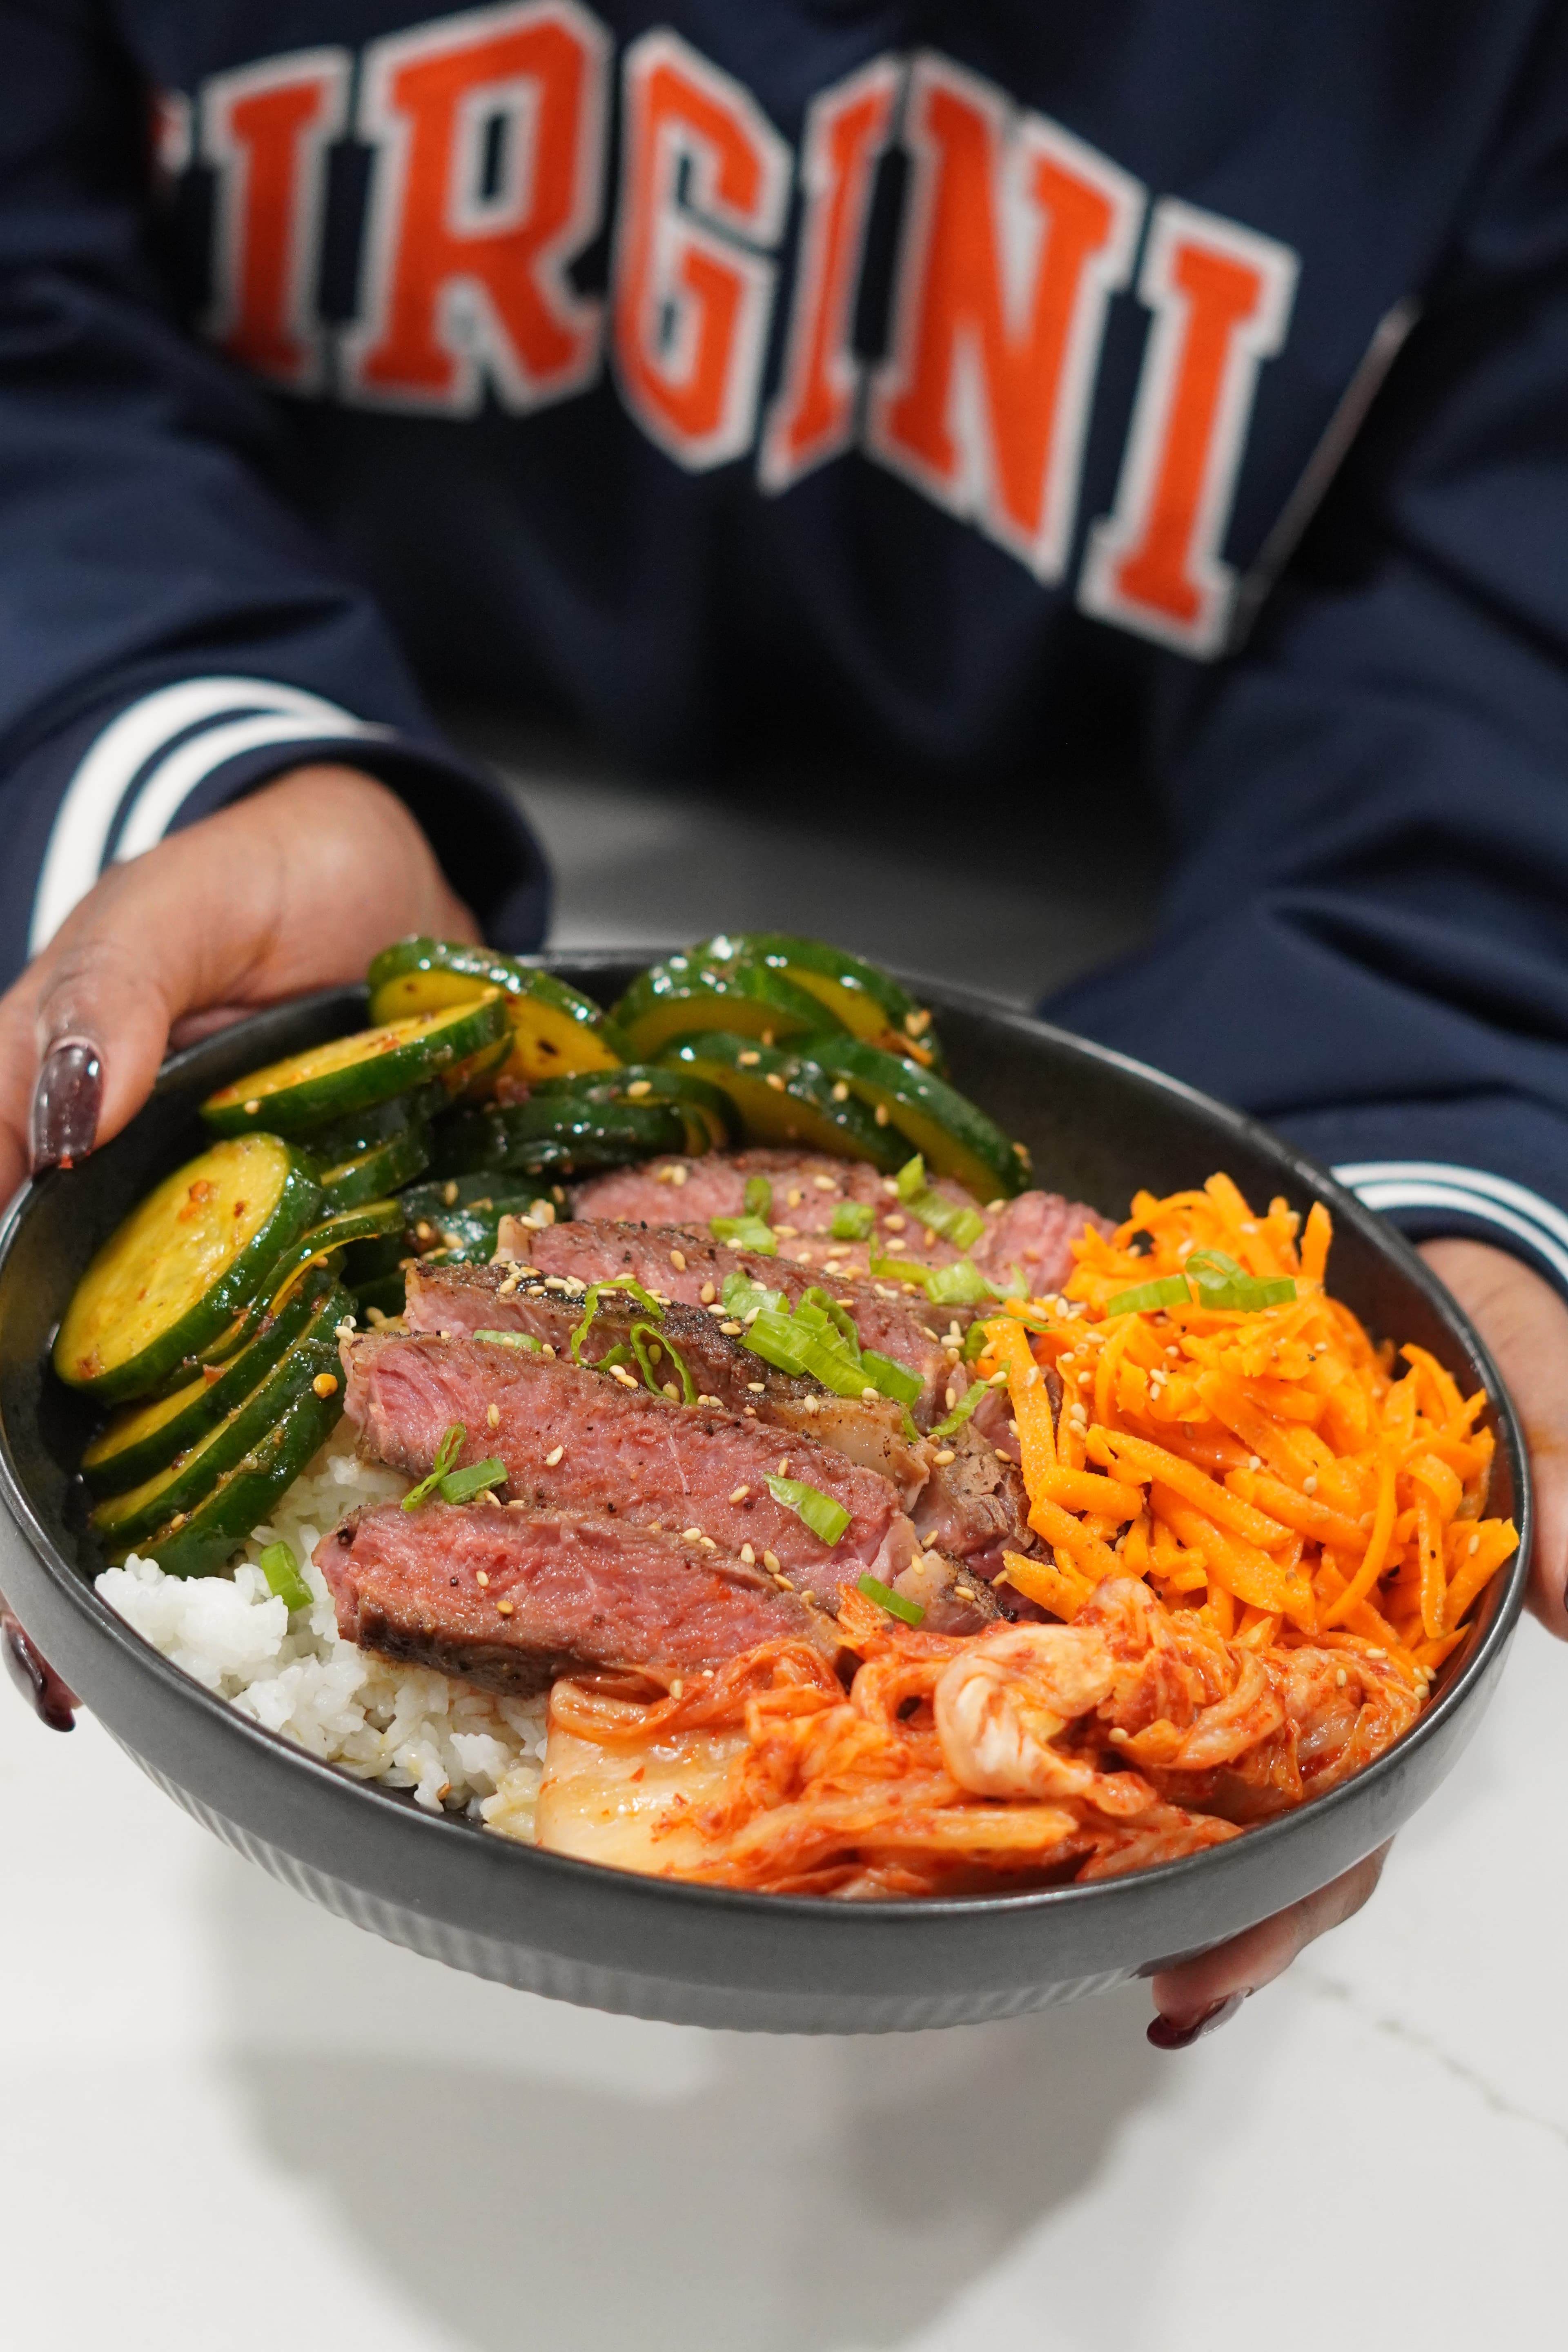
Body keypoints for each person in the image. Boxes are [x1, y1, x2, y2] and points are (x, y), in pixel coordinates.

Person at [4, 1, 1568, 2048]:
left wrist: (1405, 1117)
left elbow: (1500, 631)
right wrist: (188, 750)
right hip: (373, 679)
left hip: (1134, 891)